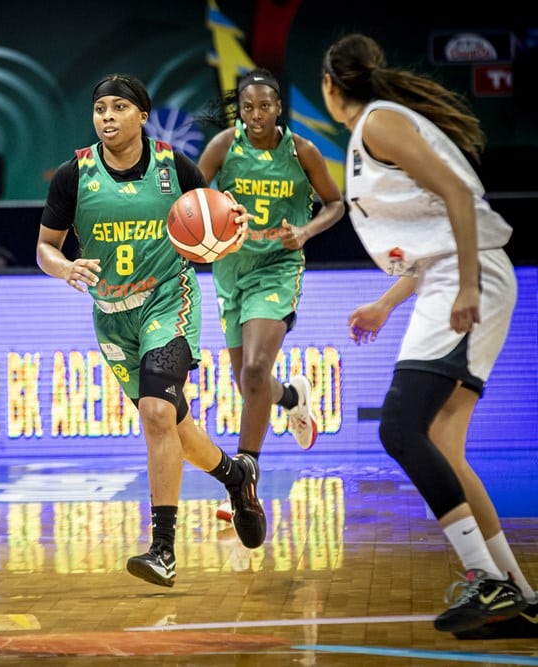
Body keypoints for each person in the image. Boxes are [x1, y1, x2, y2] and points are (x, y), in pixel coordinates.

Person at [321, 32, 535, 638]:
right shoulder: (374, 129)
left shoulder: (380, 124)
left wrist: (467, 285)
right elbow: (433, 232)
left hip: (468, 276)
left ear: (331, 87)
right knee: (441, 441)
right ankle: (517, 594)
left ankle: (486, 581)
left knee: (399, 427)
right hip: (449, 274)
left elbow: (460, 196)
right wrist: (387, 303)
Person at [36, 73, 266, 588]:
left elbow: (218, 219)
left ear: (142, 115)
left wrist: (236, 227)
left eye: (120, 107)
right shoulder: (74, 175)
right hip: (112, 315)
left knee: (156, 411)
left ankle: (163, 549)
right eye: (100, 109)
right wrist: (63, 266)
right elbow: (44, 247)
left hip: (169, 300)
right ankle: (235, 475)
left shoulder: (172, 166)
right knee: (174, 427)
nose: (108, 117)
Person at [197, 67, 345, 523]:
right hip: (231, 268)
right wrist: (210, 229)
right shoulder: (224, 146)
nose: (256, 114)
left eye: (265, 106)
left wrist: (305, 231)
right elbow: (192, 199)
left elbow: (336, 204)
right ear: (239, 111)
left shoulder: (302, 151)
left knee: (257, 369)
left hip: (277, 267)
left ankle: (243, 482)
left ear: (279, 108)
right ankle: (293, 399)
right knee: (250, 383)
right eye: (248, 107)